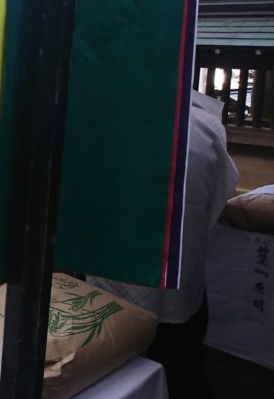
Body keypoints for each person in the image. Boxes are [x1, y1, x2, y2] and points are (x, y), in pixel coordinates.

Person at [90, 90, 237, 399]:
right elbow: (219, 196)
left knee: (119, 367)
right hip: (181, 271)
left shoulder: (104, 122)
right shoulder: (205, 125)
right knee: (182, 360)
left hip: (117, 273)